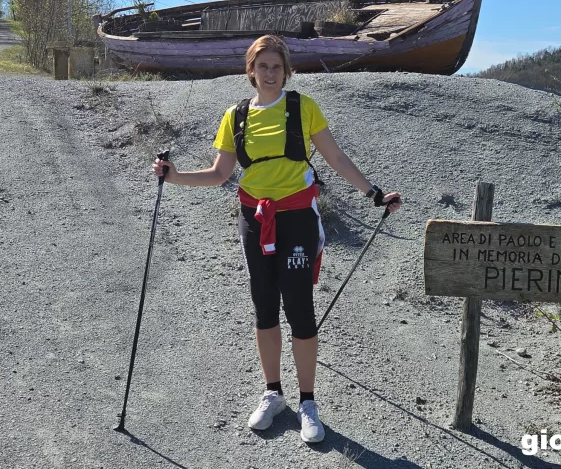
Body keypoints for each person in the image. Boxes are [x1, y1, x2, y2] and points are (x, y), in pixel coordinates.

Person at [152, 35, 402, 444]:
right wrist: (173, 175)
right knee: (264, 308)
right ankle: (273, 394)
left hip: (299, 219)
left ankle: (307, 403)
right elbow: (219, 174)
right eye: (262, 66)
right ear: (250, 71)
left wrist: (375, 194)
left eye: (276, 66)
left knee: (300, 310)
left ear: (287, 70)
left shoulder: (303, 108)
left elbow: (335, 158)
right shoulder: (235, 116)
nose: (270, 73)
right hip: (254, 219)